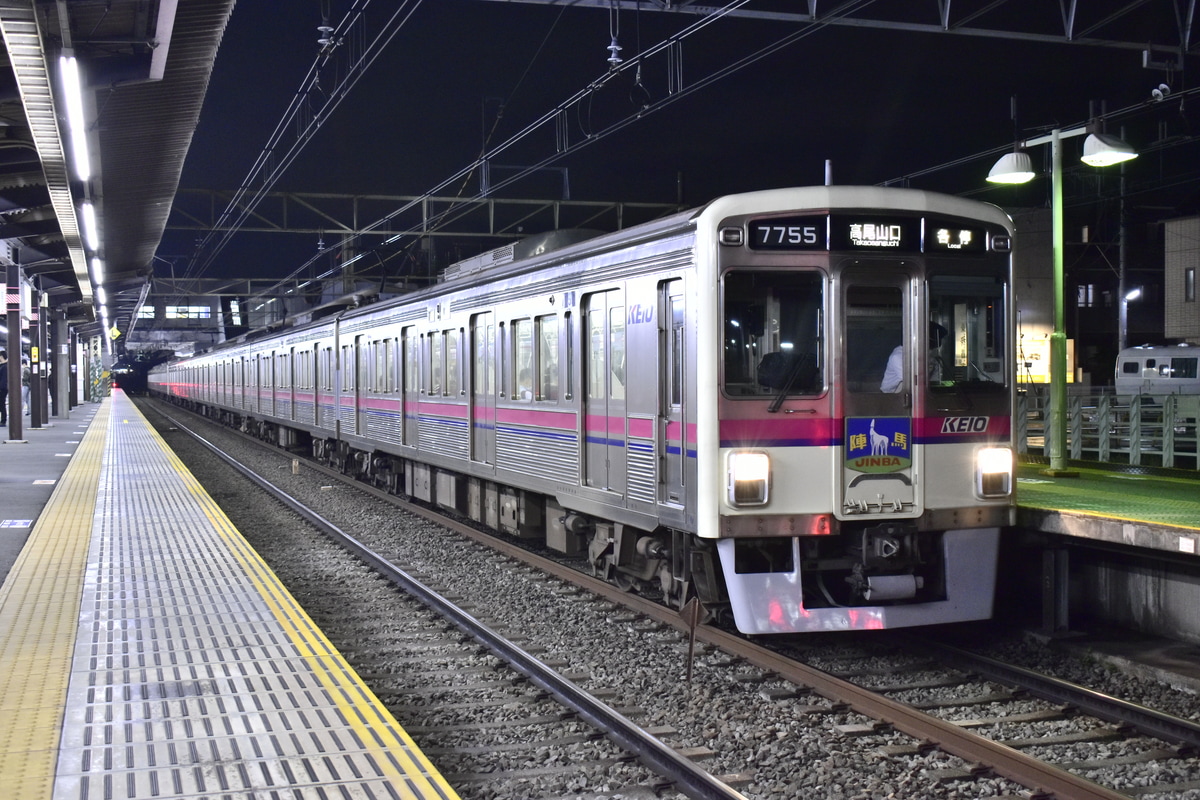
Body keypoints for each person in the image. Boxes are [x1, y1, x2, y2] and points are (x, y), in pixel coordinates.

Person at [881, 322, 948, 392]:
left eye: (932, 348)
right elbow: (911, 381)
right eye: (930, 347)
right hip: (891, 395)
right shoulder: (899, 356)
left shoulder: (932, 359)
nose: (930, 351)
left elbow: (934, 382)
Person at [0, 349, 7, 425]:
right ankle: (2, 420)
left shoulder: (5, 367)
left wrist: (1, 388)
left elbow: (4, 379)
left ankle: (3, 420)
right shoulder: (2, 366)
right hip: (2, 388)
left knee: (2, 404)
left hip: (2, 389)